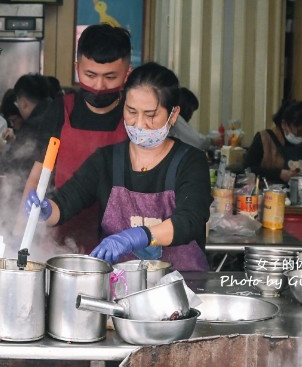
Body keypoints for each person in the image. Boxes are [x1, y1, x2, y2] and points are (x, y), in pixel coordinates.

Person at [24, 62, 211, 271]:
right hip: (120, 287)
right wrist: (46, 210)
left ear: (173, 114)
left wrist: (140, 235)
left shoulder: (191, 161)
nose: (139, 124)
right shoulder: (106, 160)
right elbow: (65, 203)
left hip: (182, 287)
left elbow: (191, 219)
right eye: (131, 111)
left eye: (150, 115)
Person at [18, 24, 132, 253]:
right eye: (90, 75)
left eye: (110, 77)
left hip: (121, 240)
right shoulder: (60, 110)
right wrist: (20, 232)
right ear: (77, 68)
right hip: (61, 236)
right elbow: (37, 175)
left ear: (127, 73)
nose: (99, 86)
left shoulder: (134, 114)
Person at [245, 100, 302, 183]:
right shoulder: (265, 138)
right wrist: (278, 174)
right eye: (299, 132)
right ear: (284, 124)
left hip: (301, 192)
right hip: (270, 192)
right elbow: (248, 169)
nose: (301, 137)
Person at [169, 87, 211, 152]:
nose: (191, 116)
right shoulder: (176, 119)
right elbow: (199, 142)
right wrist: (213, 141)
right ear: (187, 109)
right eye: (191, 111)